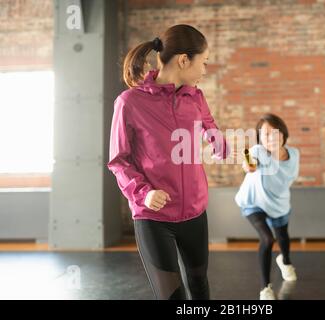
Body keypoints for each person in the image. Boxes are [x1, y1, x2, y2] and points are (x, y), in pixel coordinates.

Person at [107, 24, 229, 300]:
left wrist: (219, 143)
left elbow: (209, 125)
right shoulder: (129, 102)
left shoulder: (195, 96)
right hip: (154, 218)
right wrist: (144, 193)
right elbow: (119, 160)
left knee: (199, 289)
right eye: (204, 63)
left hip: (195, 213)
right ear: (184, 60)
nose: (205, 71)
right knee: (173, 297)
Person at [235, 113, 300, 300]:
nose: (270, 137)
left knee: (283, 238)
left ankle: (285, 261)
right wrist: (248, 165)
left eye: (274, 132)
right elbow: (248, 159)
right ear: (260, 138)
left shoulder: (294, 154)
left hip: (279, 202)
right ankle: (265, 288)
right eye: (265, 134)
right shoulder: (257, 151)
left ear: (283, 134)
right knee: (268, 239)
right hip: (253, 202)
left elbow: (290, 178)